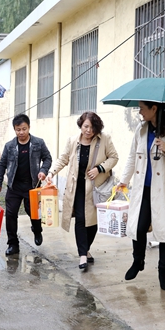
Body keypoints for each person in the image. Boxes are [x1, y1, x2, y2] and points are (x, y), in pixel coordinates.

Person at [117, 101, 165, 291]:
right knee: (138, 226)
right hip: (144, 187)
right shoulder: (141, 129)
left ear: (154, 109)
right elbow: (132, 157)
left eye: (142, 108)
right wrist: (123, 180)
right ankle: (138, 261)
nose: (139, 112)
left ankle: (163, 271)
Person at [47, 112, 118, 270]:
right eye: (86, 126)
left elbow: (114, 157)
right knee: (80, 219)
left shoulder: (104, 139)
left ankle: (86, 249)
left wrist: (100, 168)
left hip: (95, 188)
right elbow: (63, 159)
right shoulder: (73, 141)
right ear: (81, 125)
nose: (88, 130)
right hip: (77, 187)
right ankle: (83, 255)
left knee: (93, 222)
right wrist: (51, 173)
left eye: (92, 127)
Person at [0, 113, 52, 256]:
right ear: (14, 129)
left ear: (29, 127)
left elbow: (47, 158)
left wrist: (43, 171)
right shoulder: (10, 146)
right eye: (18, 129)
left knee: (33, 213)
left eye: (24, 129)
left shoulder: (38, 143)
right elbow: (2, 165)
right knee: (11, 214)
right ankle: (13, 244)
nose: (21, 132)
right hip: (14, 186)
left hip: (32, 186)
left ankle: (37, 230)